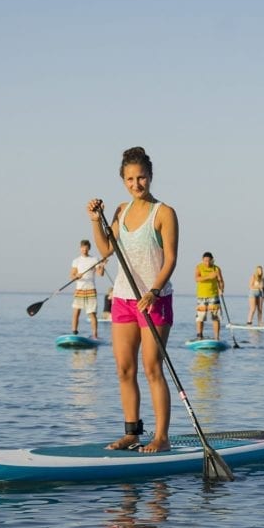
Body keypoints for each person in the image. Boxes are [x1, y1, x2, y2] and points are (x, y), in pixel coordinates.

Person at [88, 146, 178, 453]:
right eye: (129, 179)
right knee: (124, 369)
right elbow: (106, 250)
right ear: (123, 180)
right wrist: (95, 220)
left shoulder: (164, 213)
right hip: (124, 298)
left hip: (154, 299)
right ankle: (132, 433)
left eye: (141, 178)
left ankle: (161, 438)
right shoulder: (120, 211)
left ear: (150, 177)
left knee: (152, 367)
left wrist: (154, 291)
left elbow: (171, 260)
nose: (135, 184)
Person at [71, 239, 106, 339]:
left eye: (86, 248)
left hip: (90, 289)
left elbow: (100, 274)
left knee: (92, 314)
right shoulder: (76, 261)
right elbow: (72, 276)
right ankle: (74, 332)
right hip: (79, 289)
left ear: (89, 248)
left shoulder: (94, 260)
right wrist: (77, 275)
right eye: (82, 248)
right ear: (80, 248)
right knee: (76, 312)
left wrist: (102, 266)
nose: (84, 250)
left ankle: (95, 335)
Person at [194, 252, 224, 340]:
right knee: (201, 317)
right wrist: (209, 277)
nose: (207, 263)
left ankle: (216, 337)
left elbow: (221, 280)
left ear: (212, 260)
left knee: (215, 317)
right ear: (202, 260)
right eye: (205, 261)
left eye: (208, 261)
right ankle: (199, 336)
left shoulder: (216, 268)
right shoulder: (199, 267)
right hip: (201, 296)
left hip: (214, 295)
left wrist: (221, 288)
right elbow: (196, 278)